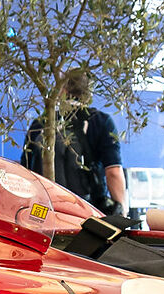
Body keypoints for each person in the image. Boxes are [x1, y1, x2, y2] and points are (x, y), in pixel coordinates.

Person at [22, 71, 123, 213]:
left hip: (44, 209)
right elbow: (113, 172)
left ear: (62, 91)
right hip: (86, 211)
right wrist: (122, 211)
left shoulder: (40, 124)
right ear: (89, 94)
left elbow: (25, 172)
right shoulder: (100, 121)